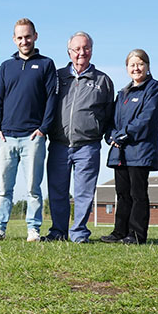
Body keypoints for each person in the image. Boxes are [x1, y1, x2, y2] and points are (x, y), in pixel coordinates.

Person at [0, 18, 57, 242]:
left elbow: (51, 100)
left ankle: (33, 229)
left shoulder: (46, 64)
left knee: (33, 188)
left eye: (27, 36)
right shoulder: (7, 66)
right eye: (19, 37)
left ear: (35, 36)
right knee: (3, 189)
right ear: (14, 39)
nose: (24, 41)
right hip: (6, 137)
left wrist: (43, 129)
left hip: (33, 138)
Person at [44, 32, 115, 243]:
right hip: (59, 144)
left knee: (84, 193)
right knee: (57, 191)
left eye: (85, 48)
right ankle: (58, 231)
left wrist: (104, 133)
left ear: (91, 50)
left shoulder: (103, 81)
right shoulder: (57, 78)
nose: (81, 53)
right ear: (69, 52)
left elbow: (109, 114)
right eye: (76, 49)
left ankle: (79, 232)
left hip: (88, 146)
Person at [101, 49, 158, 244]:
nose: (136, 68)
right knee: (122, 193)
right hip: (120, 152)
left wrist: (123, 134)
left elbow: (147, 119)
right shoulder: (122, 94)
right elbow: (111, 120)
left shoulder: (155, 89)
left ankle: (136, 235)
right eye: (132, 65)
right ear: (127, 68)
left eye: (140, 64)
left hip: (140, 151)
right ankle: (119, 232)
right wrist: (111, 135)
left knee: (137, 194)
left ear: (147, 66)